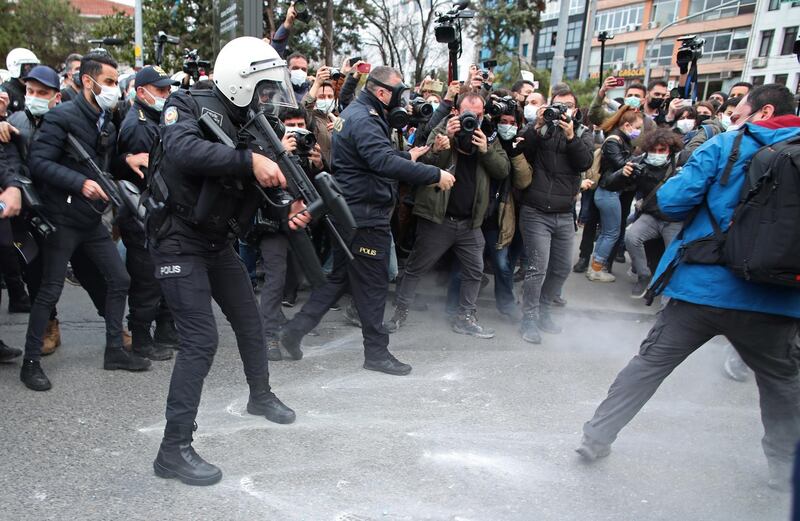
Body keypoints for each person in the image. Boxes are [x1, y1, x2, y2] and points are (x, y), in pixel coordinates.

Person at [577, 84, 800, 492]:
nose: (735, 119)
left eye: (739, 112)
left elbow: (675, 200)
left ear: (764, 111)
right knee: (781, 383)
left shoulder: (727, 146)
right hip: (777, 296)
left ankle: (597, 437)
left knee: (649, 365)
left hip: (703, 286)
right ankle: (783, 467)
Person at [147, 37, 306, 485]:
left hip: (217, 242)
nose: (268, 98)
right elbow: (183, 151)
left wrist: (289, 203)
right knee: (200, 340)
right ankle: (172, 449)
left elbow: (265, 187)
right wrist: (247, 160)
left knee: (251, 322)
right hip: (176, 238)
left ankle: (261, 395)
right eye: (263, 88)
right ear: (240, 82)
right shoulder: (186, 103)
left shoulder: (251, 123)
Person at [280, 65, 455, 376]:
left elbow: (370, 160)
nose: (404, 98)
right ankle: (376, 352)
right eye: (399, 91)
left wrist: (408, 157)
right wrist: (434, 174)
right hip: (364, 217)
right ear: (382, 92)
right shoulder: (365, 119)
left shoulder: (359, 113)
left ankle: (292, 333)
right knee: (373, 286)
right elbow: (381, 162)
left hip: (353, 211)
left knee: (339, 280)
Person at [20, 52, 149, 392]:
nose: (113, 89)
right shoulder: (62, 116)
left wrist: (125, 160)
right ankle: (30, 363)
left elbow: (102, 164)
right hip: (62, 218)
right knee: (50, 291)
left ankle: (114, 351)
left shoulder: (105, 118)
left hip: (89, 219)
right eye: (107, 82)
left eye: (114, 82)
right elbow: (39, 163)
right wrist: (79, 183)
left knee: (119, 278)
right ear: (88, 82)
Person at [388, 91, 509, 337]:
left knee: (475, 271)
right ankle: (399, 314)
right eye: (468, 114)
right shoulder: (443, 129)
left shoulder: (488, 135)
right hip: (438, 219)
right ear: (456, 111)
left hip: (470, 222)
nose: (473, 119)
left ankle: (465, 317)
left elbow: (503, 170)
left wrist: (486, 150)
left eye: (478, 114)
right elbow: (427, 163)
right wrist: (446, 141)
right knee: (415, 268)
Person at [511, 85, 594, 344]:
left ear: (576, 109)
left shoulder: (583, 133)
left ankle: (544, 310)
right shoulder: (542, 129)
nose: (563, 111)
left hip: (564, 213)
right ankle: (530, 318)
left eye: (568, 106)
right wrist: (537, 126)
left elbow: (585, 163)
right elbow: (522, 149)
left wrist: (571, 137)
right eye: (558, 105)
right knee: (538, 268)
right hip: (536, 210)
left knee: (560, 269)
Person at [116, 65, 180, 362]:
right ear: (141, 92)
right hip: (142, 213)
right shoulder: (140, 126)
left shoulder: (154, 118)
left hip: (158, 214)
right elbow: (149, 177)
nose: (167, 95)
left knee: (165, 277)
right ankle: (141, 338)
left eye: (168, 89)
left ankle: (166, 330)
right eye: (161, 90)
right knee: (147, 281)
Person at [602, 128, 684, 297]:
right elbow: (609, 184)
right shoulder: (640, 162)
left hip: (675, 219)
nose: (657, 153)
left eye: (662, 150)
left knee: (674, 254)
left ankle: (667, 294)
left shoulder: (683, 165)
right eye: (653, 150)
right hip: (651, 215)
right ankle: (643, 274)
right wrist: (622, 174)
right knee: (631, 237)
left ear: (671, 150)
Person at [587, 106, 643, 282]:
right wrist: (639, 160)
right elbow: (620, 163)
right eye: (638, 127)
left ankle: (595, 266)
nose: (639, 132)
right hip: (608, 192)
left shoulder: (620, 139)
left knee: (607, 232)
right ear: (627, 125)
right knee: (611, 232)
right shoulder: (614, 141)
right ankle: (596, 269)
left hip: (610, 192)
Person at [1, 48, 40, 113]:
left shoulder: (33, 90)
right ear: (16, 67)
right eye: (27, 67)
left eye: (34, 67)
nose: (31, 71)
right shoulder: (5, 91)